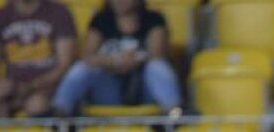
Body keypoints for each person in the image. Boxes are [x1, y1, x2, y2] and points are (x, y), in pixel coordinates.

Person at [52, 0, 182, 116]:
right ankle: (60, 111)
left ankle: (174, 112)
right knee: (83, 68)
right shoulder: (101, 20)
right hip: (110, 89)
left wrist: (136, 60)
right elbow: (89, 57)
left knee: (157, 66)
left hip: (144, 88)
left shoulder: (153, 19)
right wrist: (115, 61)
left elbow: (157, 54)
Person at [0, 0, 77, 118]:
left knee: (36, 104)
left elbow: (65, 64)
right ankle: (2, 130)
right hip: (13, 87)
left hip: (48, 87)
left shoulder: (59, 13)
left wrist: (32, 85)